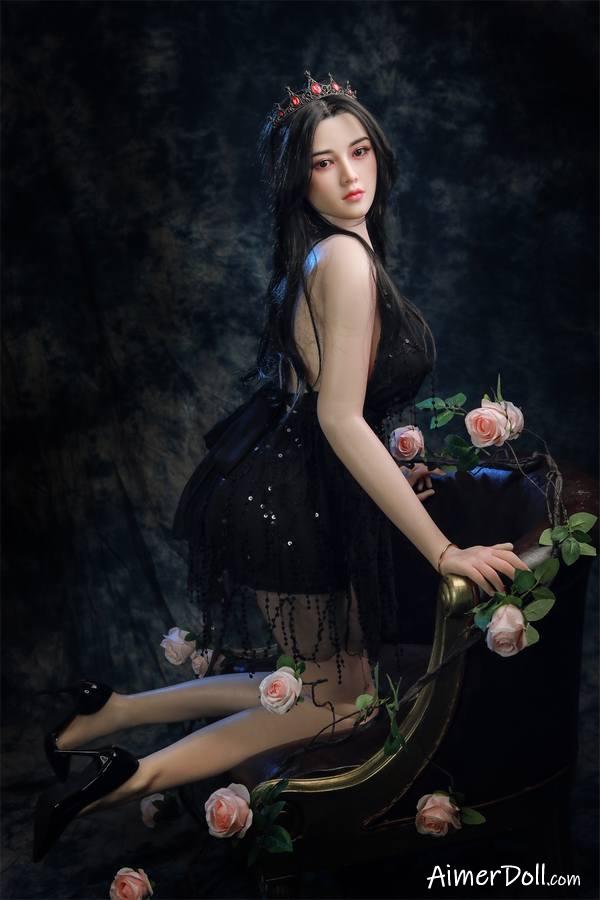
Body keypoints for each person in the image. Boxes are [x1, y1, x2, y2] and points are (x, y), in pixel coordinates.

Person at [33, 71, 531, 862]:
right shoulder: (343, 261)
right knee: (340, 698)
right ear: (299, 181)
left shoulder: (337, 252)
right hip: (293, 499)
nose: (350, 175)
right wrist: (443, 550)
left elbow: (327, 402)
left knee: (330, 681)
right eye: (323, 163)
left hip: (298, 485)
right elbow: (337, 417)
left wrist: (394, 473)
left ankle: (112, 711)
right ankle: (124, 778)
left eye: (359, 151)